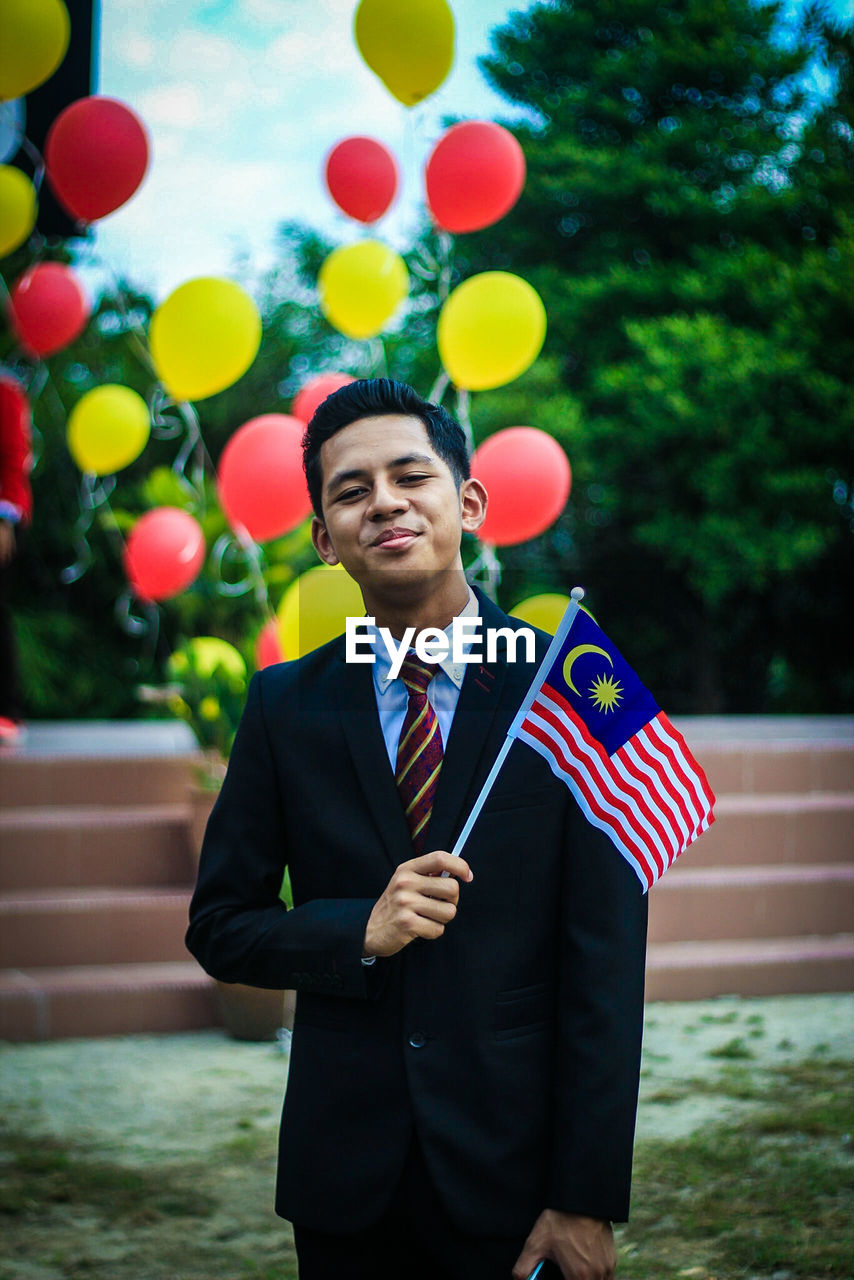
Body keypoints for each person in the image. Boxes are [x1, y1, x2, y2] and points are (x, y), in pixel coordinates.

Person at [186, 378, 648, 1280]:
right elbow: (221, 926)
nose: (384, 503)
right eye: (350, 491)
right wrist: (354, 930)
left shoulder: (580, 690)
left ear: (467, 501)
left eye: (411, 476)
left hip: (512, 1175)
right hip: (345, 1181)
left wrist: (585, 1195)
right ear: (325, 539)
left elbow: (606, 964)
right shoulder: (284, 705)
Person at [0, 373, 33, 746]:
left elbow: (13, 458)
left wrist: (5, 519)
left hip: (4, 519)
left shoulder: (5, 390)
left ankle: (7, 711)